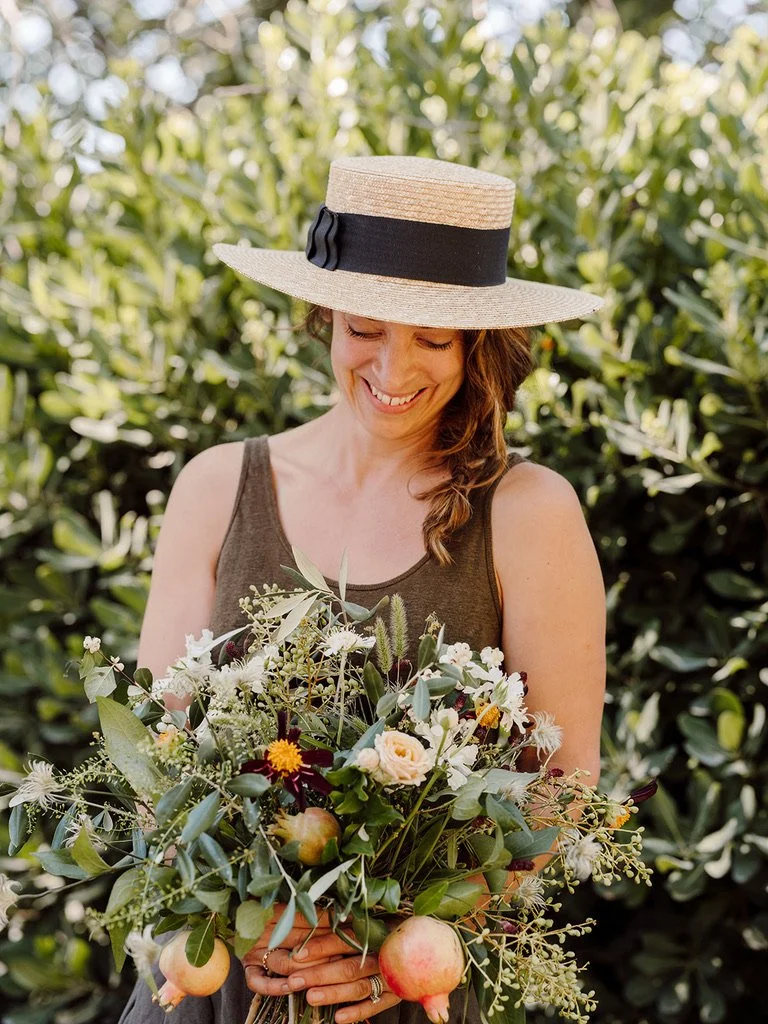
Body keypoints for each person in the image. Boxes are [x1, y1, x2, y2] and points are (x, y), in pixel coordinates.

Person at [118, 155, 607, 1024]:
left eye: (433, 337)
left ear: (476, 347)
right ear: (325, 318)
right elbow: (158, 759)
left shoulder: (530, 512)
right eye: (365, 328)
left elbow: (561, 781)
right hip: (220, 978)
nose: (393, 366)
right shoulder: (216, 487)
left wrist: (401, 952)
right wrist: (239, 905)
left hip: (413, 993)